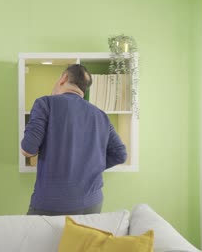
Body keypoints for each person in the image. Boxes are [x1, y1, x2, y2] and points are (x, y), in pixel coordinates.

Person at [21, 64, 127, 216]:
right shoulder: (101, 115)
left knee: (37, 240)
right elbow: (120, 154)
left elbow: (28, 149)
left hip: (51, 204)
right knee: (82, 241)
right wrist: (89, 166)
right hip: (92, 203)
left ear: (63, 78)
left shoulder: (45, 104)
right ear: (84, 89)